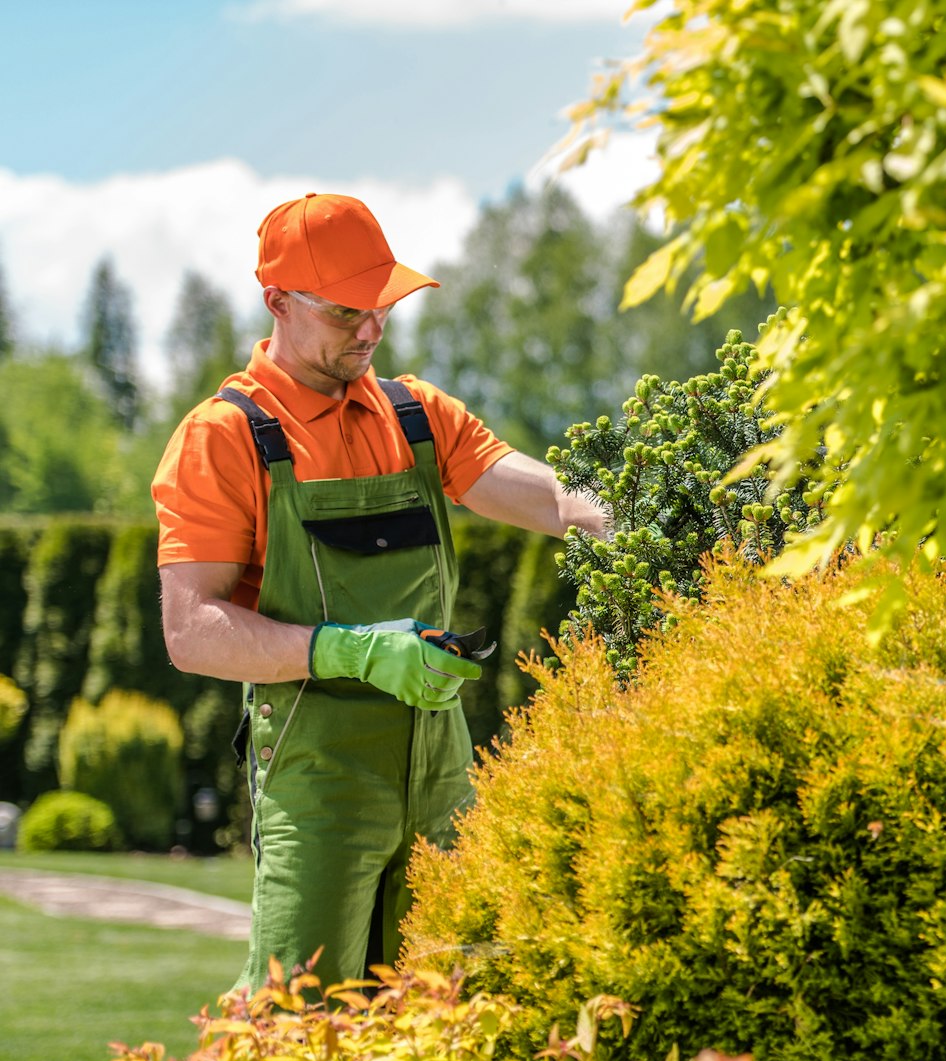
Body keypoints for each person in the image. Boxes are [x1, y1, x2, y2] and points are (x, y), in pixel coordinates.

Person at [153, 193, 606, 992]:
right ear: (279, 304)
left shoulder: (417, 417)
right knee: (303, 1025)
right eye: (345, 312)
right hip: (318, 773)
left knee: (455, 1007)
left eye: (381, 308)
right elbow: (192, 630)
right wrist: (349, 652)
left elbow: (546, 498)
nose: (369, 330)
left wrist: (629, 516)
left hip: (441, 773)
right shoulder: (226, 437)